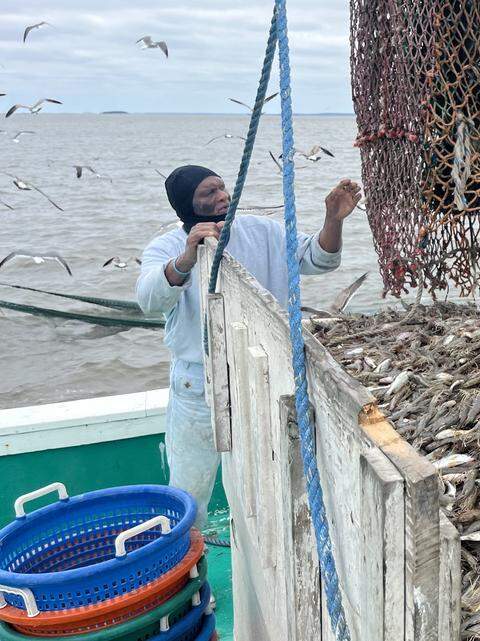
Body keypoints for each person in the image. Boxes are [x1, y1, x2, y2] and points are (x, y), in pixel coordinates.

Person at [137, 165, 362, 528]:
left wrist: (333, 220)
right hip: (198, 386)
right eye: (207, 194)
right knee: (190, 492)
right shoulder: (165, 247)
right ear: (185, 206)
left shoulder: (262, 231)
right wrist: (186, 258)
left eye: (222, 188)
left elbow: (319, 259)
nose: (222, 197)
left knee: (263, 482)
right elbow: (149, 300)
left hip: (262, 374)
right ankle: (188, 567)